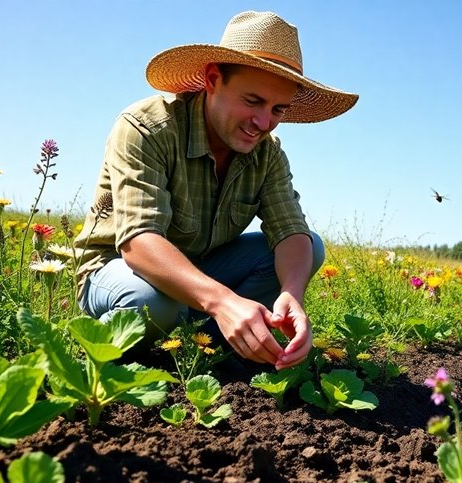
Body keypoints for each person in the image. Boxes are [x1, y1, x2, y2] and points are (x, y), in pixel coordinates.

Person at [73, 11, 357, 370]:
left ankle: (215, 347)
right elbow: (138, 243)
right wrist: (223, 302)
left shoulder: (267, 153)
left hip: (203, 274)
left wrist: (292, 296)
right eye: (252, 101)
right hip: (117, 270)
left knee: (310, 246)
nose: (263, 122)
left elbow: (290, 231)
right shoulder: (147, 127)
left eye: (278, 109)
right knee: (152, 303)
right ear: (212, 79)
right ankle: (106, 347)